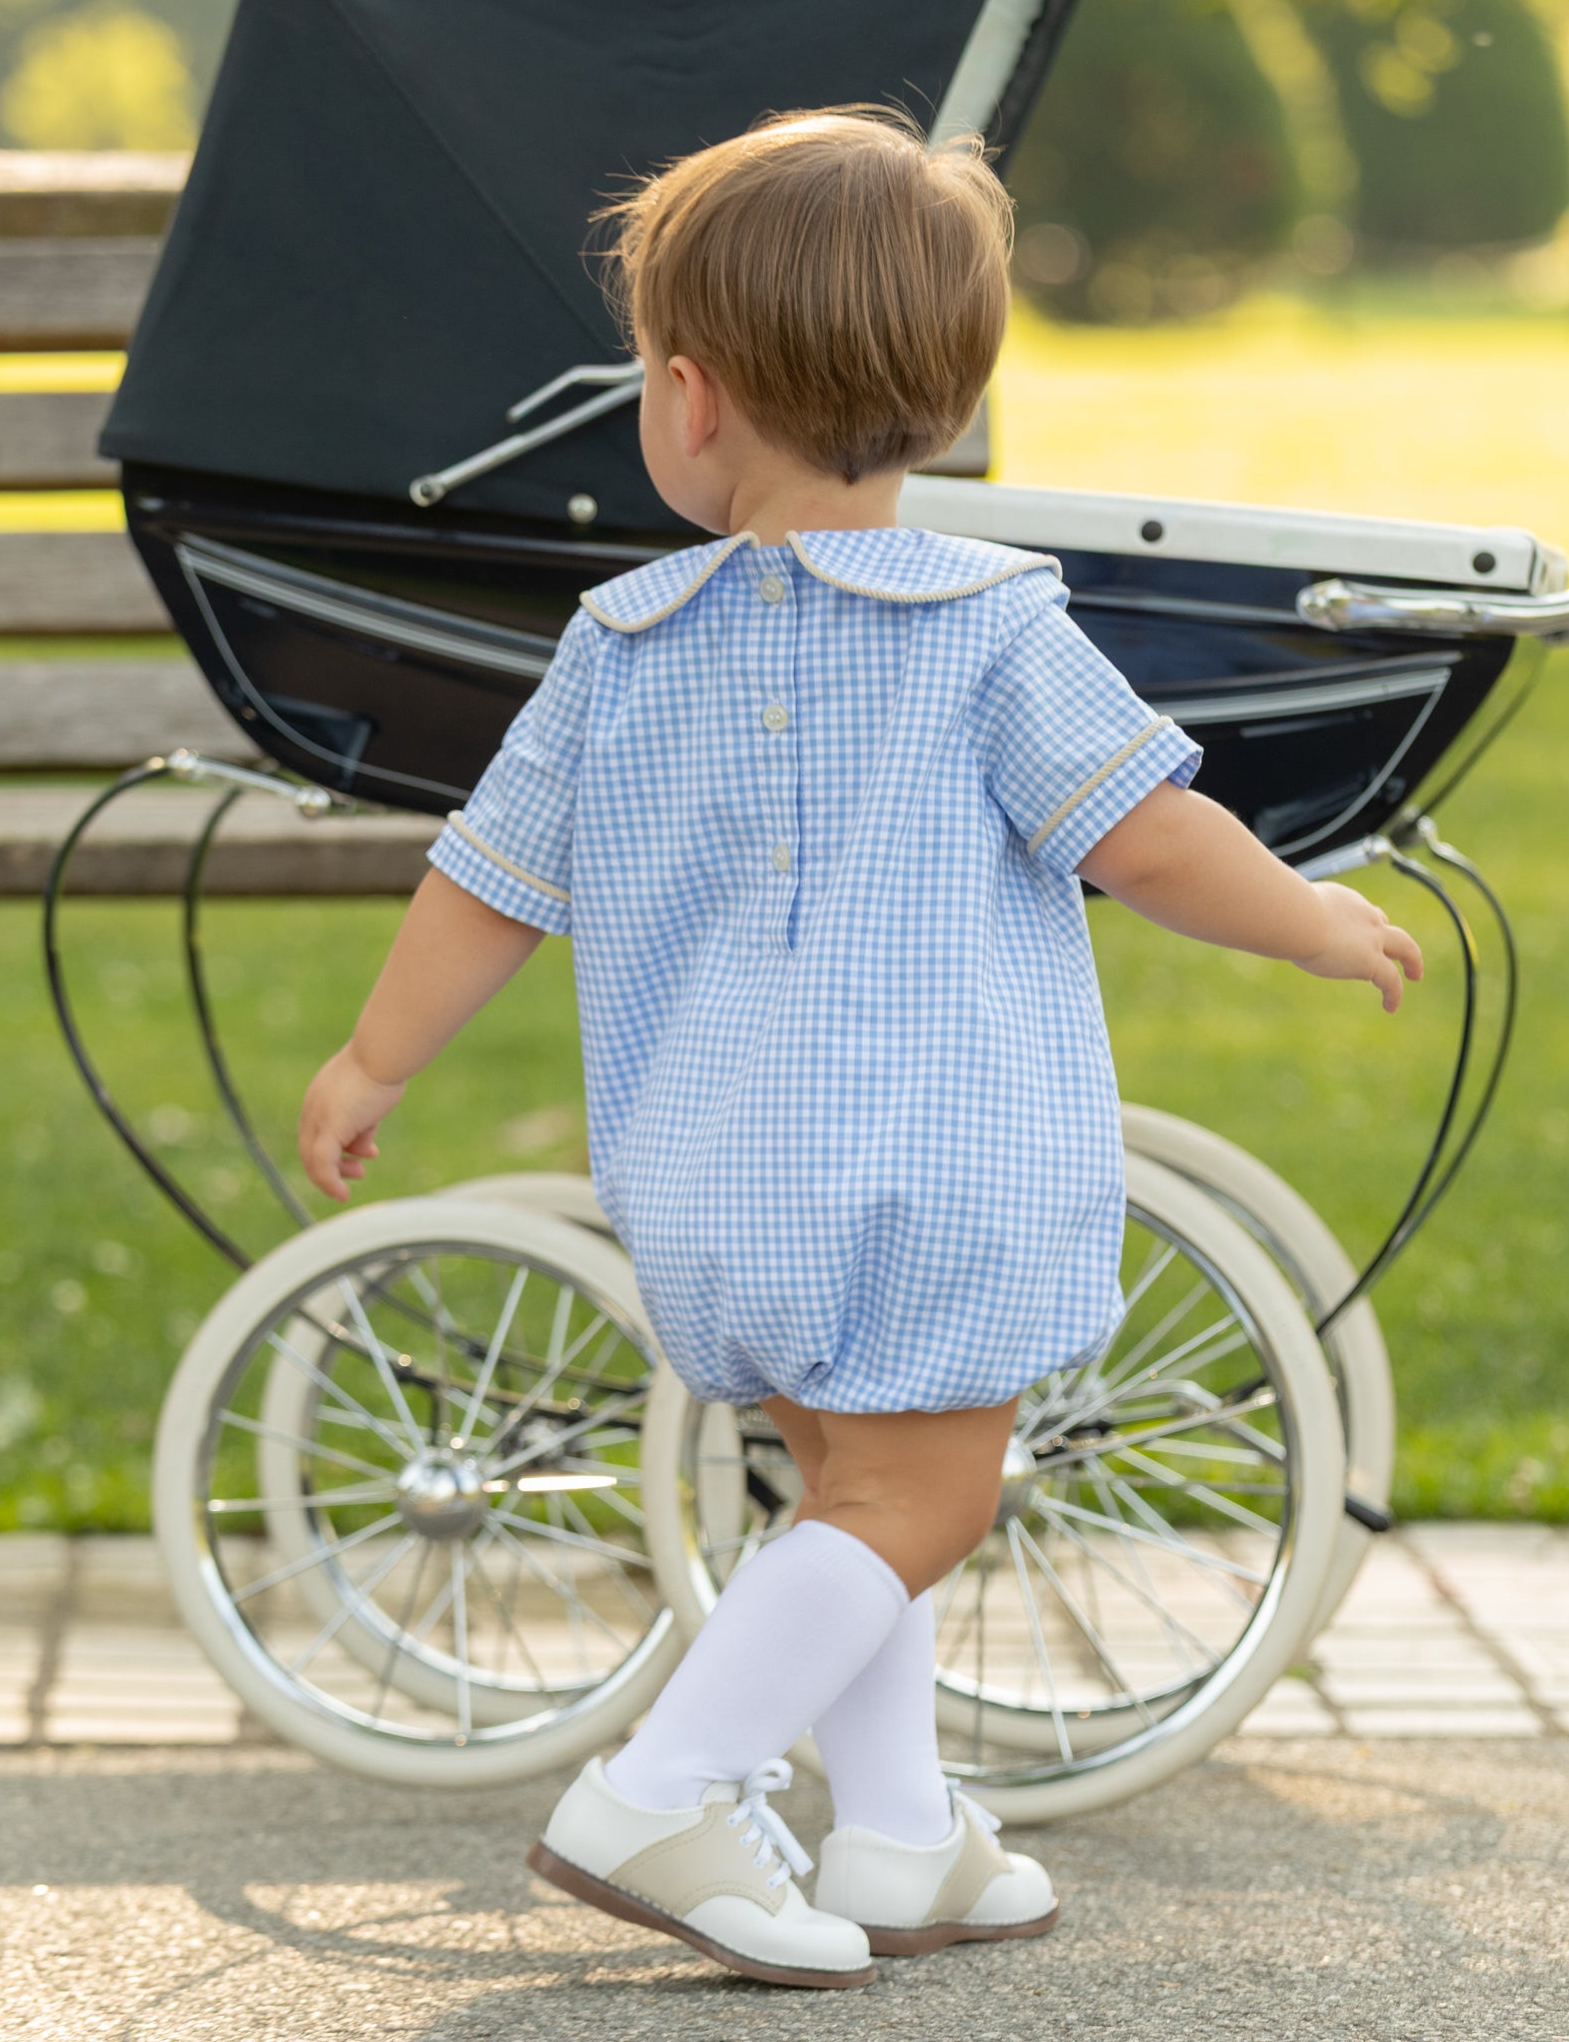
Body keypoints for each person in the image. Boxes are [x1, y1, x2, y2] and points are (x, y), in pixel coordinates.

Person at [298, 107, 1422, 1991]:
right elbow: (1148, 835)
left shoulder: (620, 639)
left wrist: (374, 1059)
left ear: (687, 396)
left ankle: (895, 1834)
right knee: (928, 1498)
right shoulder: (990, 629)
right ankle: (669, 1783)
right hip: (933, 1164)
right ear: (949, 400)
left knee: (849, 1495)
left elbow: (488, 877)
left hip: (711, 1170)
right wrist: (1308, 913)